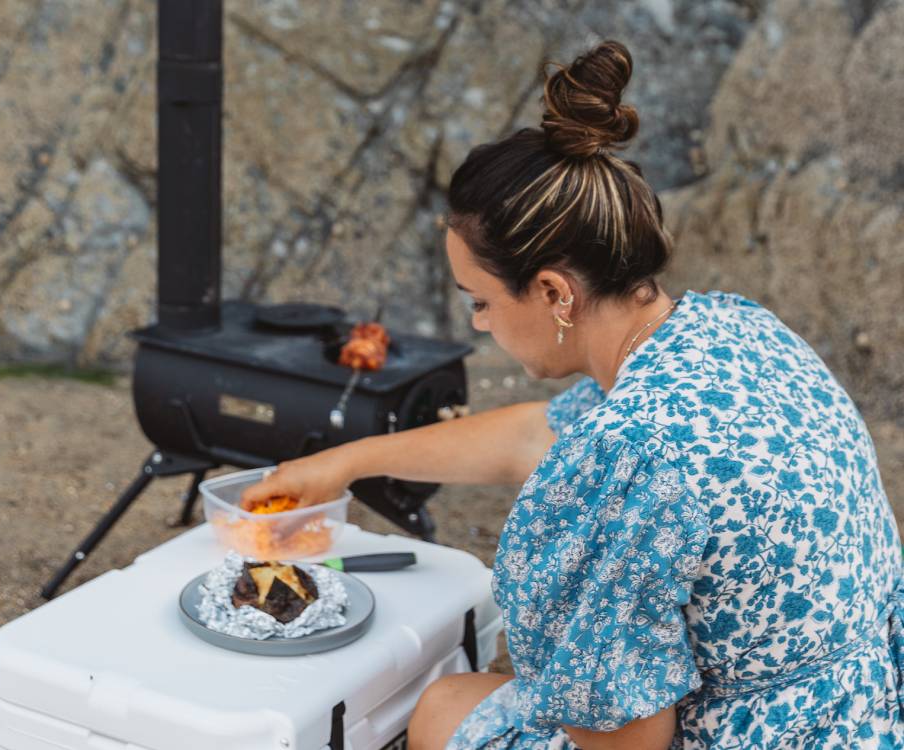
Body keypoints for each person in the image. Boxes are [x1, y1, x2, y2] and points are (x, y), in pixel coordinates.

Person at [241, 40, 904, 749]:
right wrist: (347, 461)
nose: (479, 324)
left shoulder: (627, 457)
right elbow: (537, 437)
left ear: (555, 292)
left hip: (762, 736)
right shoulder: (732, 327)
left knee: (441, 712)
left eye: (481, 301)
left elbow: (626, 740)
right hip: (863, 710)